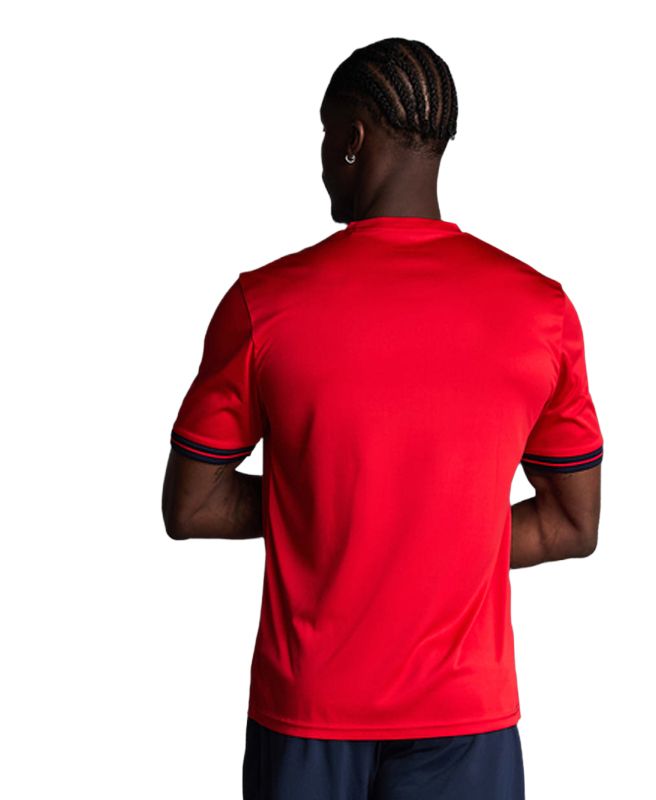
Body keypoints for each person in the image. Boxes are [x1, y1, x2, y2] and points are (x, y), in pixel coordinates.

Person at [161, 36, 603, 800]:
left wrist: (330, 511)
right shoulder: (541, 310)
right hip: (467, 722)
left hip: (307, 718)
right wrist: (434, 531)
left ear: (353, 139)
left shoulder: (264, 305)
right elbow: (572, 525)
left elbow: (190, 506)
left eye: (325, 134)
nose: (321, 159)